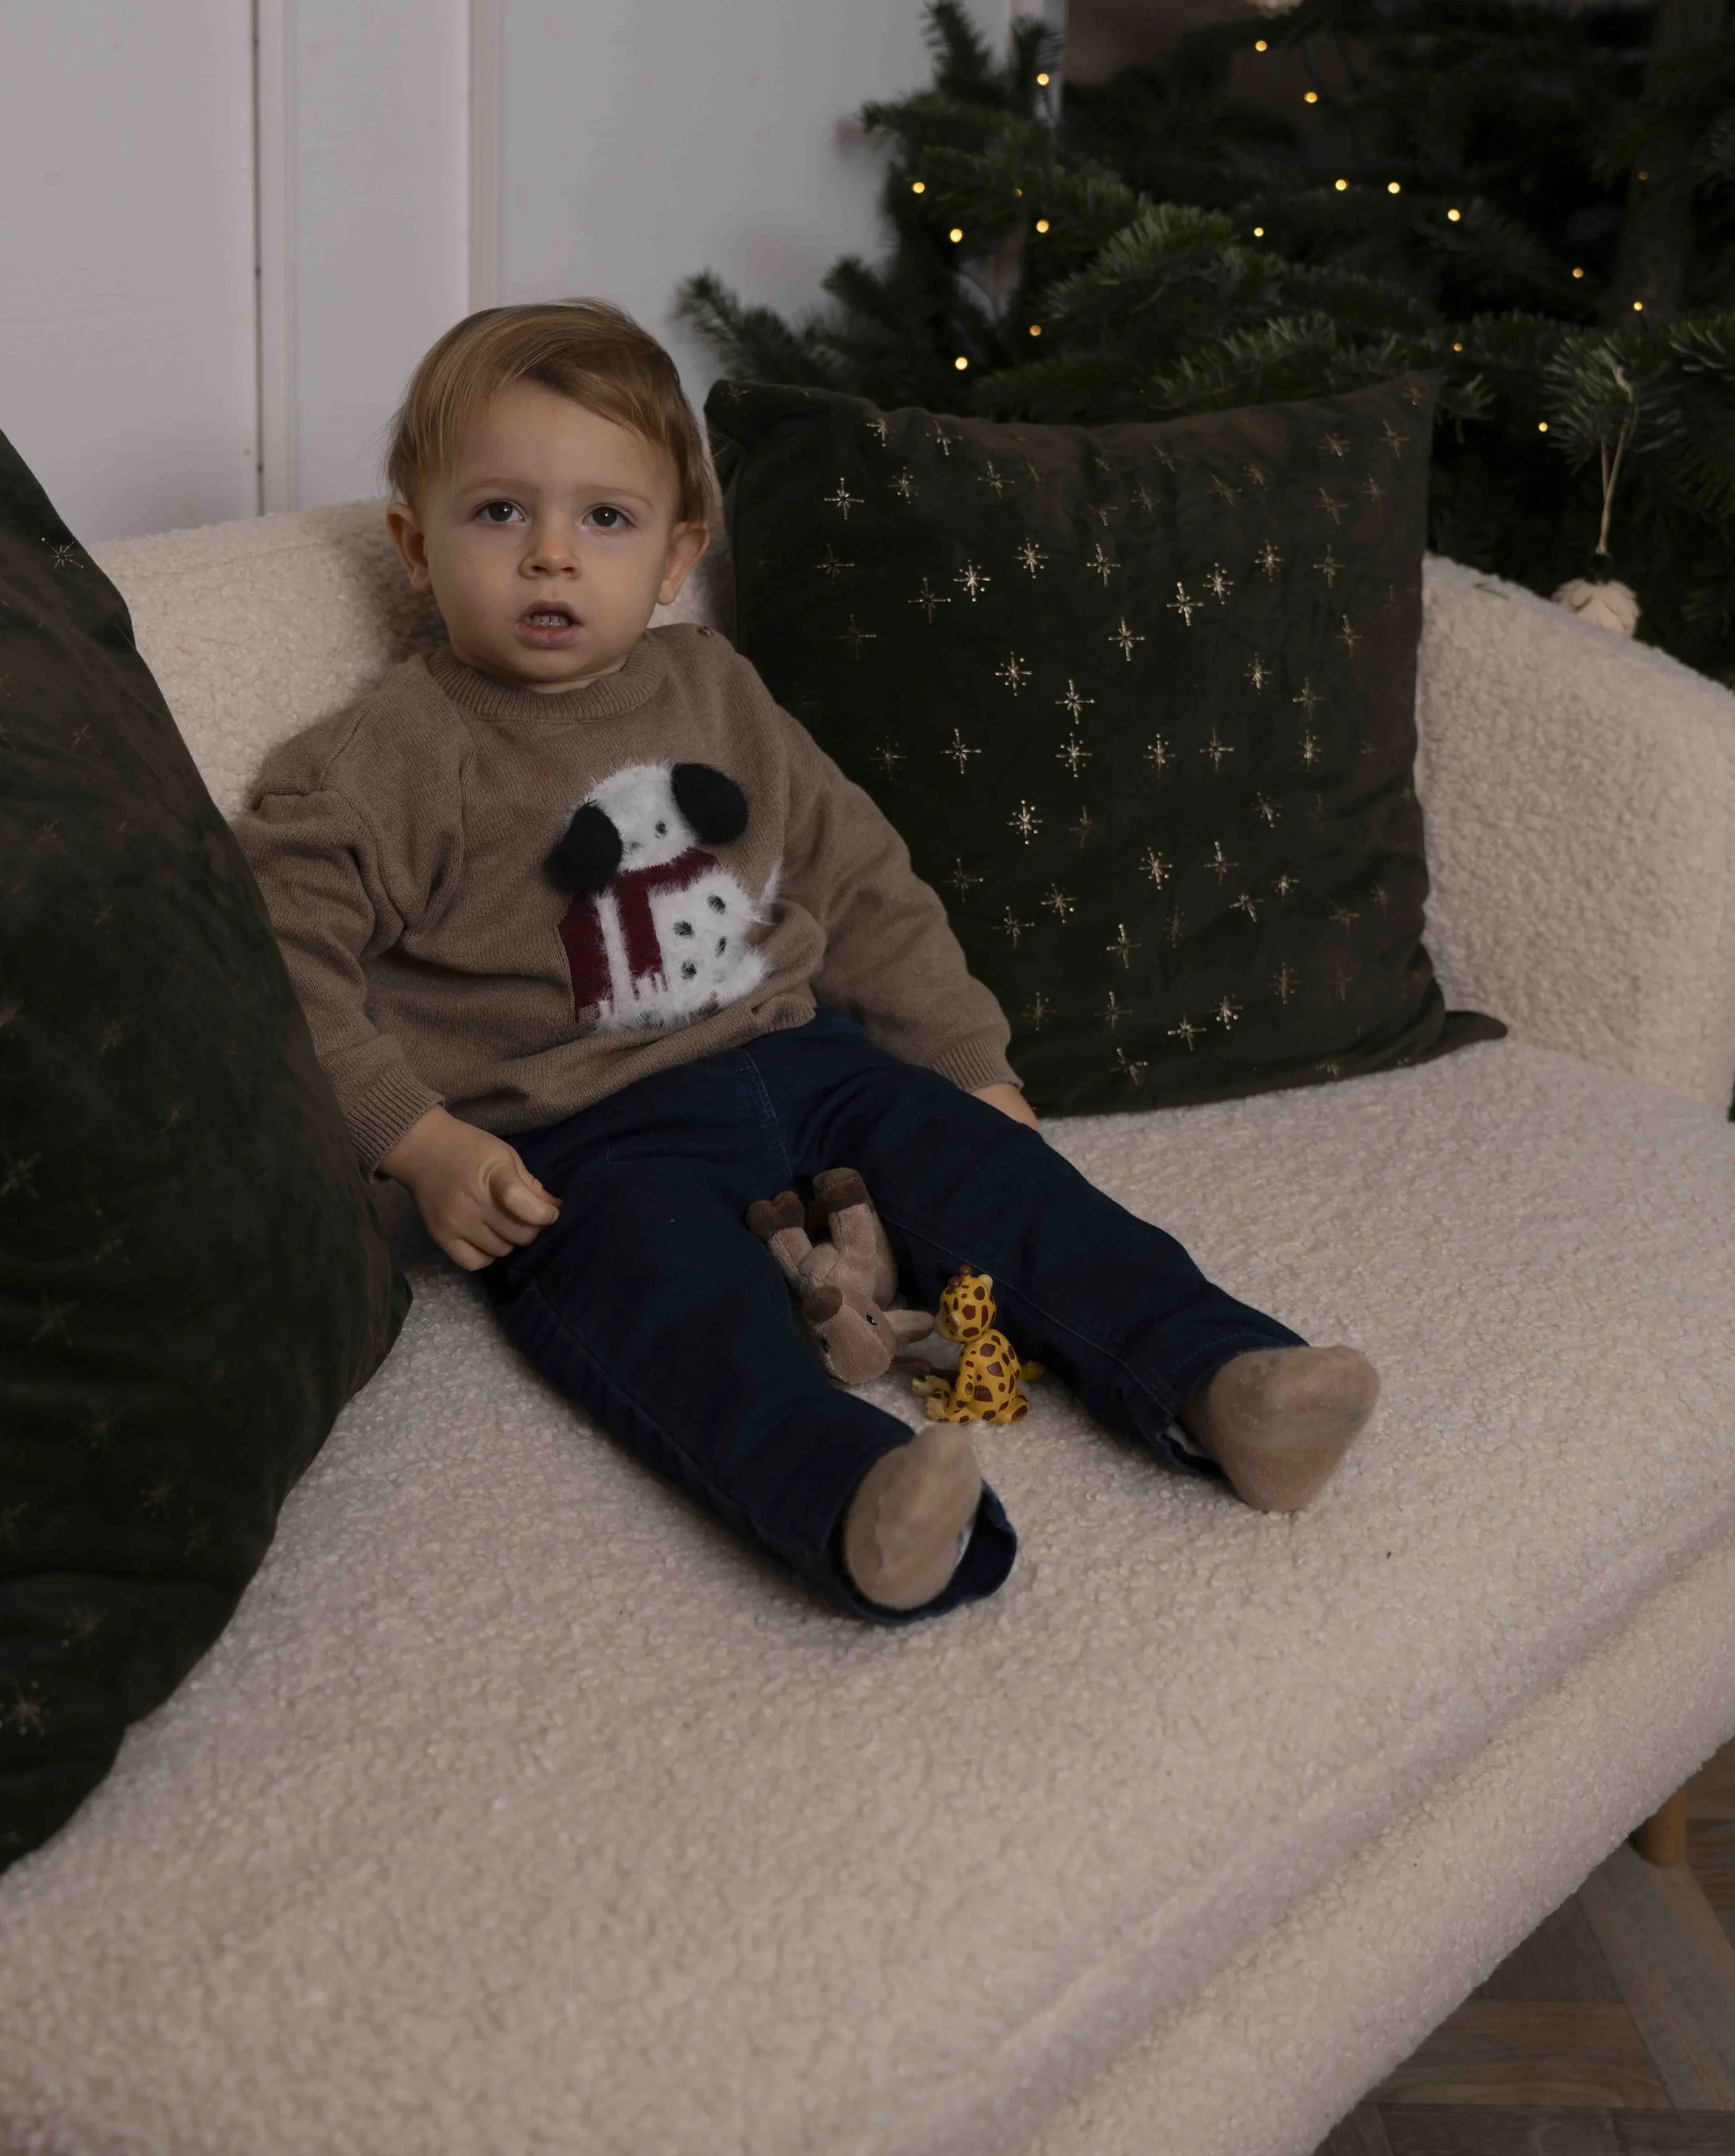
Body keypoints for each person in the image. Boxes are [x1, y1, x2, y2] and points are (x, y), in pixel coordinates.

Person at [235, 301, 1379, 1622]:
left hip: (809, 1064)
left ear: (678, 554)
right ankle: (861, 1503)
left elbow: (857, 874)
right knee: (677, 1318)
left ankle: (1224, 1378)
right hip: (585, 1140)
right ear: (412, 546)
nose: (551, 554)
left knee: (1014, 1193)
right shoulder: (387, 755)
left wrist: (969, 1064)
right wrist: (418, 1139)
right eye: (499, 512)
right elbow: (275, 958)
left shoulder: (716, 689)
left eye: (605, 517)